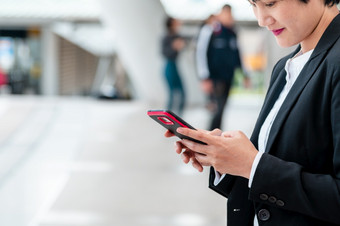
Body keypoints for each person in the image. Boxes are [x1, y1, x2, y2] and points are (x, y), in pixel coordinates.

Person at [165, 0, 340, 225]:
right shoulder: (285, 66)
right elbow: (273, 166)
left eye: (270, 3)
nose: (261, 19)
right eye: (253, 5)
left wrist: (252, 165)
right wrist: (226, 157)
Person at [196, 5, 247, 130]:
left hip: (228, 77)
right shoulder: (210, 31)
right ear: (220, 15)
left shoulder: (233, 33)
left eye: (231, 14)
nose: (229, 17)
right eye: (226, 14)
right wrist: (204, 78)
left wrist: (245, 75)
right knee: (217, 109)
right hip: (215, 78)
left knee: (222, 108)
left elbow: (238, 55)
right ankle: (208, 139)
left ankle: (216, 136)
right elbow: (201, 54)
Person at [161, 17, 186, 116]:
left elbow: (183, 45)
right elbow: (164, 53)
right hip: (169, 65)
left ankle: (179, 116)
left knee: (182, 93)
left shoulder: (177, 36)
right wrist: (173, 47)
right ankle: (167, 117)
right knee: (172, 94)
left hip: (175, 65)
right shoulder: (166, 38)